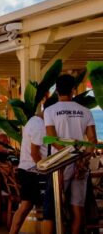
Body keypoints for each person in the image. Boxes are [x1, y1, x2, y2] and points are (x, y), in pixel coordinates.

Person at [42, 74, 97, 234]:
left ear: (57, 90)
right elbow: (92, 139)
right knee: (77, 208)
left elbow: (52, 139)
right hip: (80, 165)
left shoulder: (50, 111)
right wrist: (82, 160)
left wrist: (67, 157)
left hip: (59, 164)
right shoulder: (86, 111)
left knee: (53, 208)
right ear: (73, 90)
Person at [9, 98, 56, 234]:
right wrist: (45, 170)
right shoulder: (39, 125)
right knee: (26, 205)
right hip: (31, 170)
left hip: (29, 169)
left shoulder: (35, 121)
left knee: (26, 205)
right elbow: (35, 153)